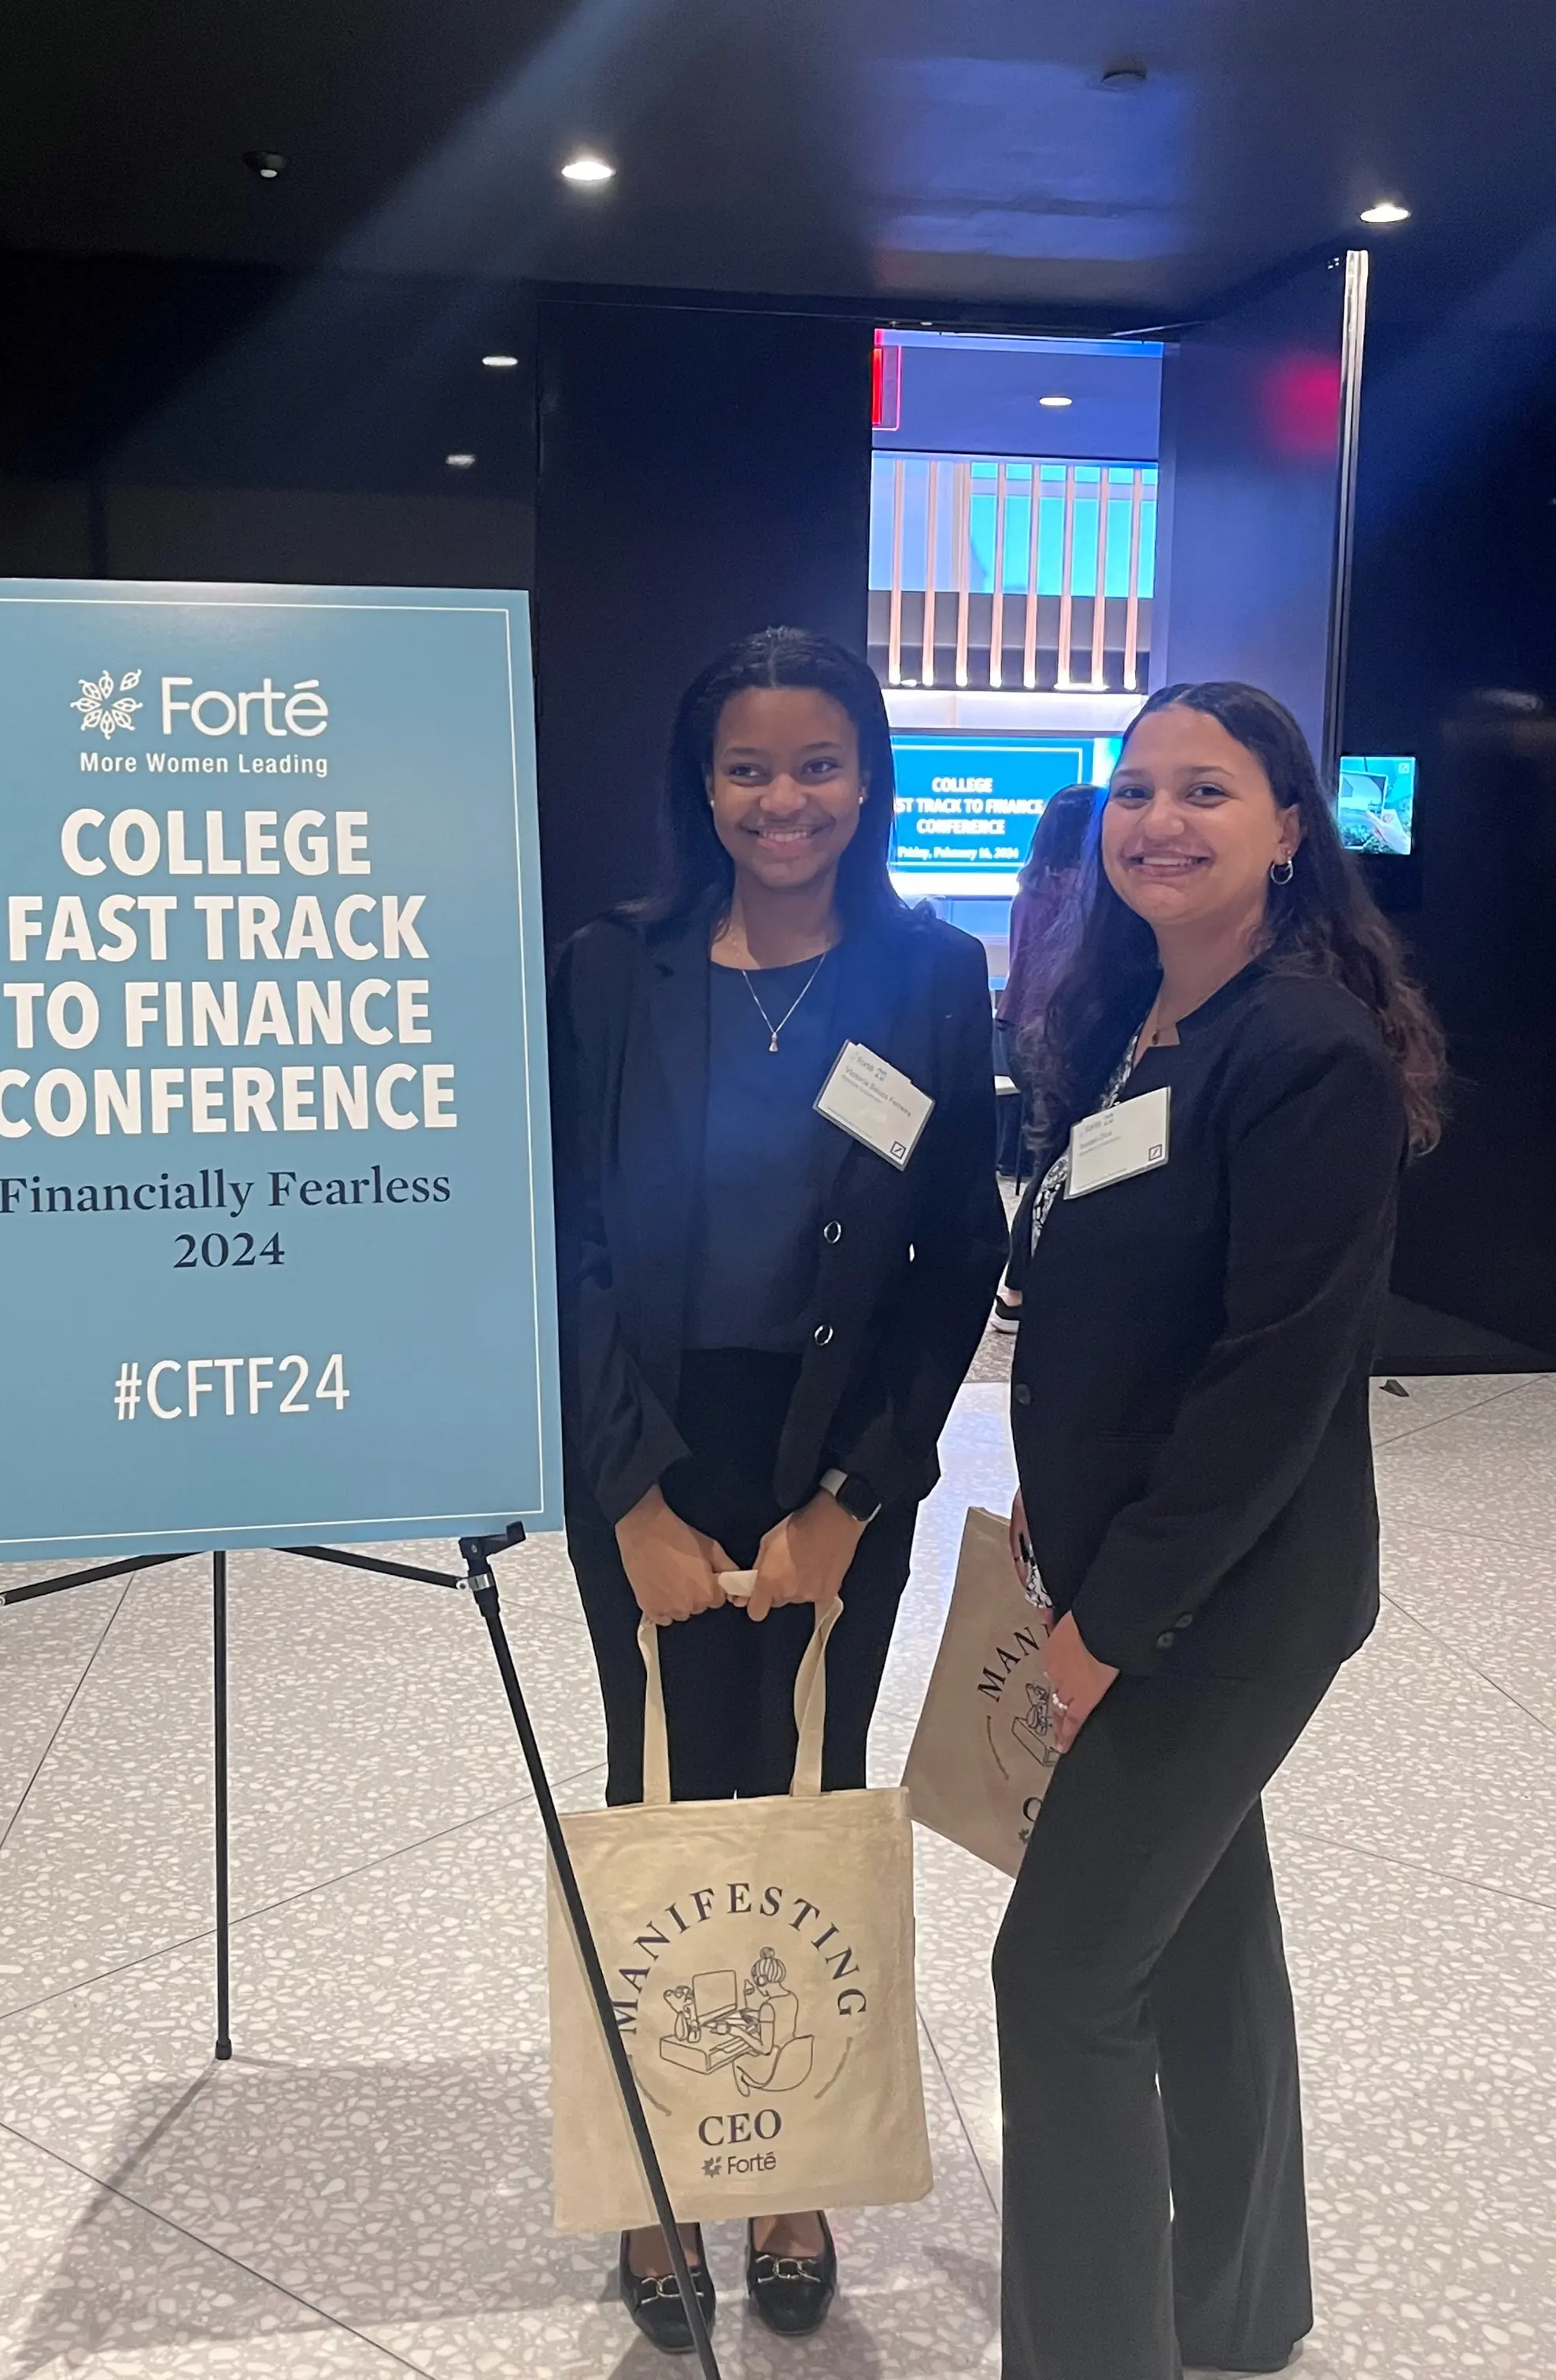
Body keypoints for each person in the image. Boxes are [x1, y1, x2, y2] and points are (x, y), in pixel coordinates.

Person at [549, 626, 1006, 2352]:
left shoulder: (931, 979)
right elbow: (569, 1240)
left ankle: (791, 2163)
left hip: (831, 1457)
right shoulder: (615, 968)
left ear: (870, 777)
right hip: (651, 1452)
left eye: (819, 763)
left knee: (807, 1783)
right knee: (663, 1784)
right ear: (703, 783)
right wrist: (628, 1495)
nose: (784, 798)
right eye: (749, 766)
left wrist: (861, 1499)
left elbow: (958, 1253)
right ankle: (659, 2168)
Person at [992, 681, 1445, 2380]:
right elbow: (1122, 1311)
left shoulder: (1303, 1047)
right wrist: (1059, 1489)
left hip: (1224, 1597)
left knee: (1062, 1982)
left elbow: (1274, 1383)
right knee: (1194, 1931)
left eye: (1206, 790)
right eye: (1134, 791)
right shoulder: (1145, 1025)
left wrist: (1110, 1625)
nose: (1158, 820)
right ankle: (1240, 2315)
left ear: (1285, 833)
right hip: (1138, 1562)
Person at [990, 782, 1097, 1330]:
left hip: (1015, 1032)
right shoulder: (1091, 894)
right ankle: (1017, 1286)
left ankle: (1021, 1286)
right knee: (1062, 1164)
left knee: (1047, 1160)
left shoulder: (1029, 890)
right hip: (1060, 1036)